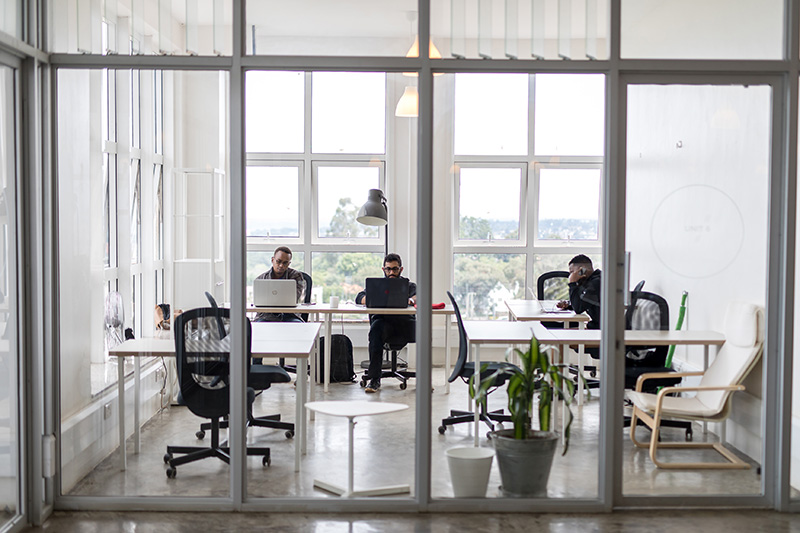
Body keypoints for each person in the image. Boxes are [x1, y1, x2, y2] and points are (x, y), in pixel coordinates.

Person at [355, 253, 417, 393]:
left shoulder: (408, 285)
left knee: (424, 330)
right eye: (388, 269)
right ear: (383, 269)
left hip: (404, 324)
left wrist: (411, 300)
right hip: (383, 325)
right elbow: (359, 297)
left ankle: (425, 378)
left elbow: (418, 296)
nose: (391, 273)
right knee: (376, 328)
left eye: (395, 269)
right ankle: (374, 379)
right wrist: (372, 298)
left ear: (401, 269)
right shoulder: (377, 286)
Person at [557, 254, 602, 358]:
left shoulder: (596, 283)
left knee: (559, 337)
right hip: (597, 328)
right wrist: (569, 305)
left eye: (572, 272)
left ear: (582, 270)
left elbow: (578, 308)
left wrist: (572, 283)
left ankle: (560, 368)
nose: (571, 275)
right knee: (560, 335)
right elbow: (583, 302)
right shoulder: (594, 280)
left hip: (600, 332)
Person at [254, 246, 306, 323]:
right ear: (272, 260)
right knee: (257, 325)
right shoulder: (261, 279)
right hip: (266, 315)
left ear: (289, 263)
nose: (281, 265)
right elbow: (258, 302)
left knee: (299, 325)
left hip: (289, 315)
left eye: (285, 263)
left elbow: (295, 297)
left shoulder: (296, 276)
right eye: (278, 261)